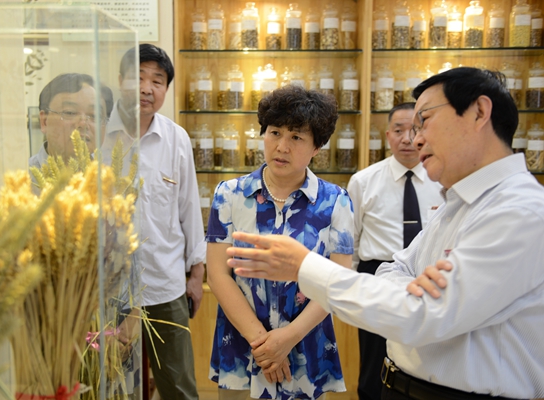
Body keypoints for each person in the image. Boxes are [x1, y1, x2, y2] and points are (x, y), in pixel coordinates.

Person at [224, 67, 544, 400]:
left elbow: (421, 315)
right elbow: (394, 268)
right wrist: (410, 290)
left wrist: (303, 267)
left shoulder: (520, 211)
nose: (415, 139)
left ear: (479, 112)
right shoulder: (459, 202)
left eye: (425, 120)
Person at [206, 85, 353, 400]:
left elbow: (338, 280)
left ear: (317, 147)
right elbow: (217, 275)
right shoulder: (229, 195)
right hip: (244, 346)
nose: (282, 147)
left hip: (305, 345)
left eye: (296, 137)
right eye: (275, 133)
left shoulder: (336, 201)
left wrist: (287, 339)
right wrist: (264, 345)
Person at [102, 44, 205, 400]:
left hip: (165, 284)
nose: (147, 88)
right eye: (138, 77)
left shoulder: (176, 138)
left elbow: (189, 208)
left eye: (157, 81)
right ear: (120, 80)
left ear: (165, 89)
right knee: (113, 386)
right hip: (110, 290)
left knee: (179, 387)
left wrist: (197, 274)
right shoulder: (98, 136)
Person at [347, 102, 442, 400]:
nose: (406, 138)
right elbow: (351, 238)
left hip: (429, 276)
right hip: (376, 273)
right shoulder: (364, 181)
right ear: (387, 135)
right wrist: (355, 283)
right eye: (398, 130)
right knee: (374, 363)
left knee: (424, 357)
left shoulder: (442, 180)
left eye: (413, 130)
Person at [30, 73, 110, 172]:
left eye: (94, 115)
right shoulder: (23, 178)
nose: (83, 124)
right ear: (44, 121)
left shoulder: (110, 177)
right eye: (70, 113)